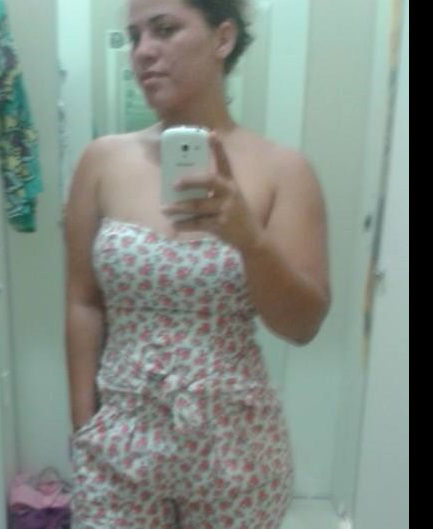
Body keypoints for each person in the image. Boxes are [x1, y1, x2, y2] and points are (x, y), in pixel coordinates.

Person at [65, 0, 331, 527]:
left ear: (222, 39)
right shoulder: (101, 161)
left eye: (165, 29)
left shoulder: (285, 171)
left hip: (236, 449)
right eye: (135, 36)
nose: (143, 51)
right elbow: (82, 302)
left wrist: (251, 242)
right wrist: (84, 429)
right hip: (118, 442)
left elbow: (302, 325)